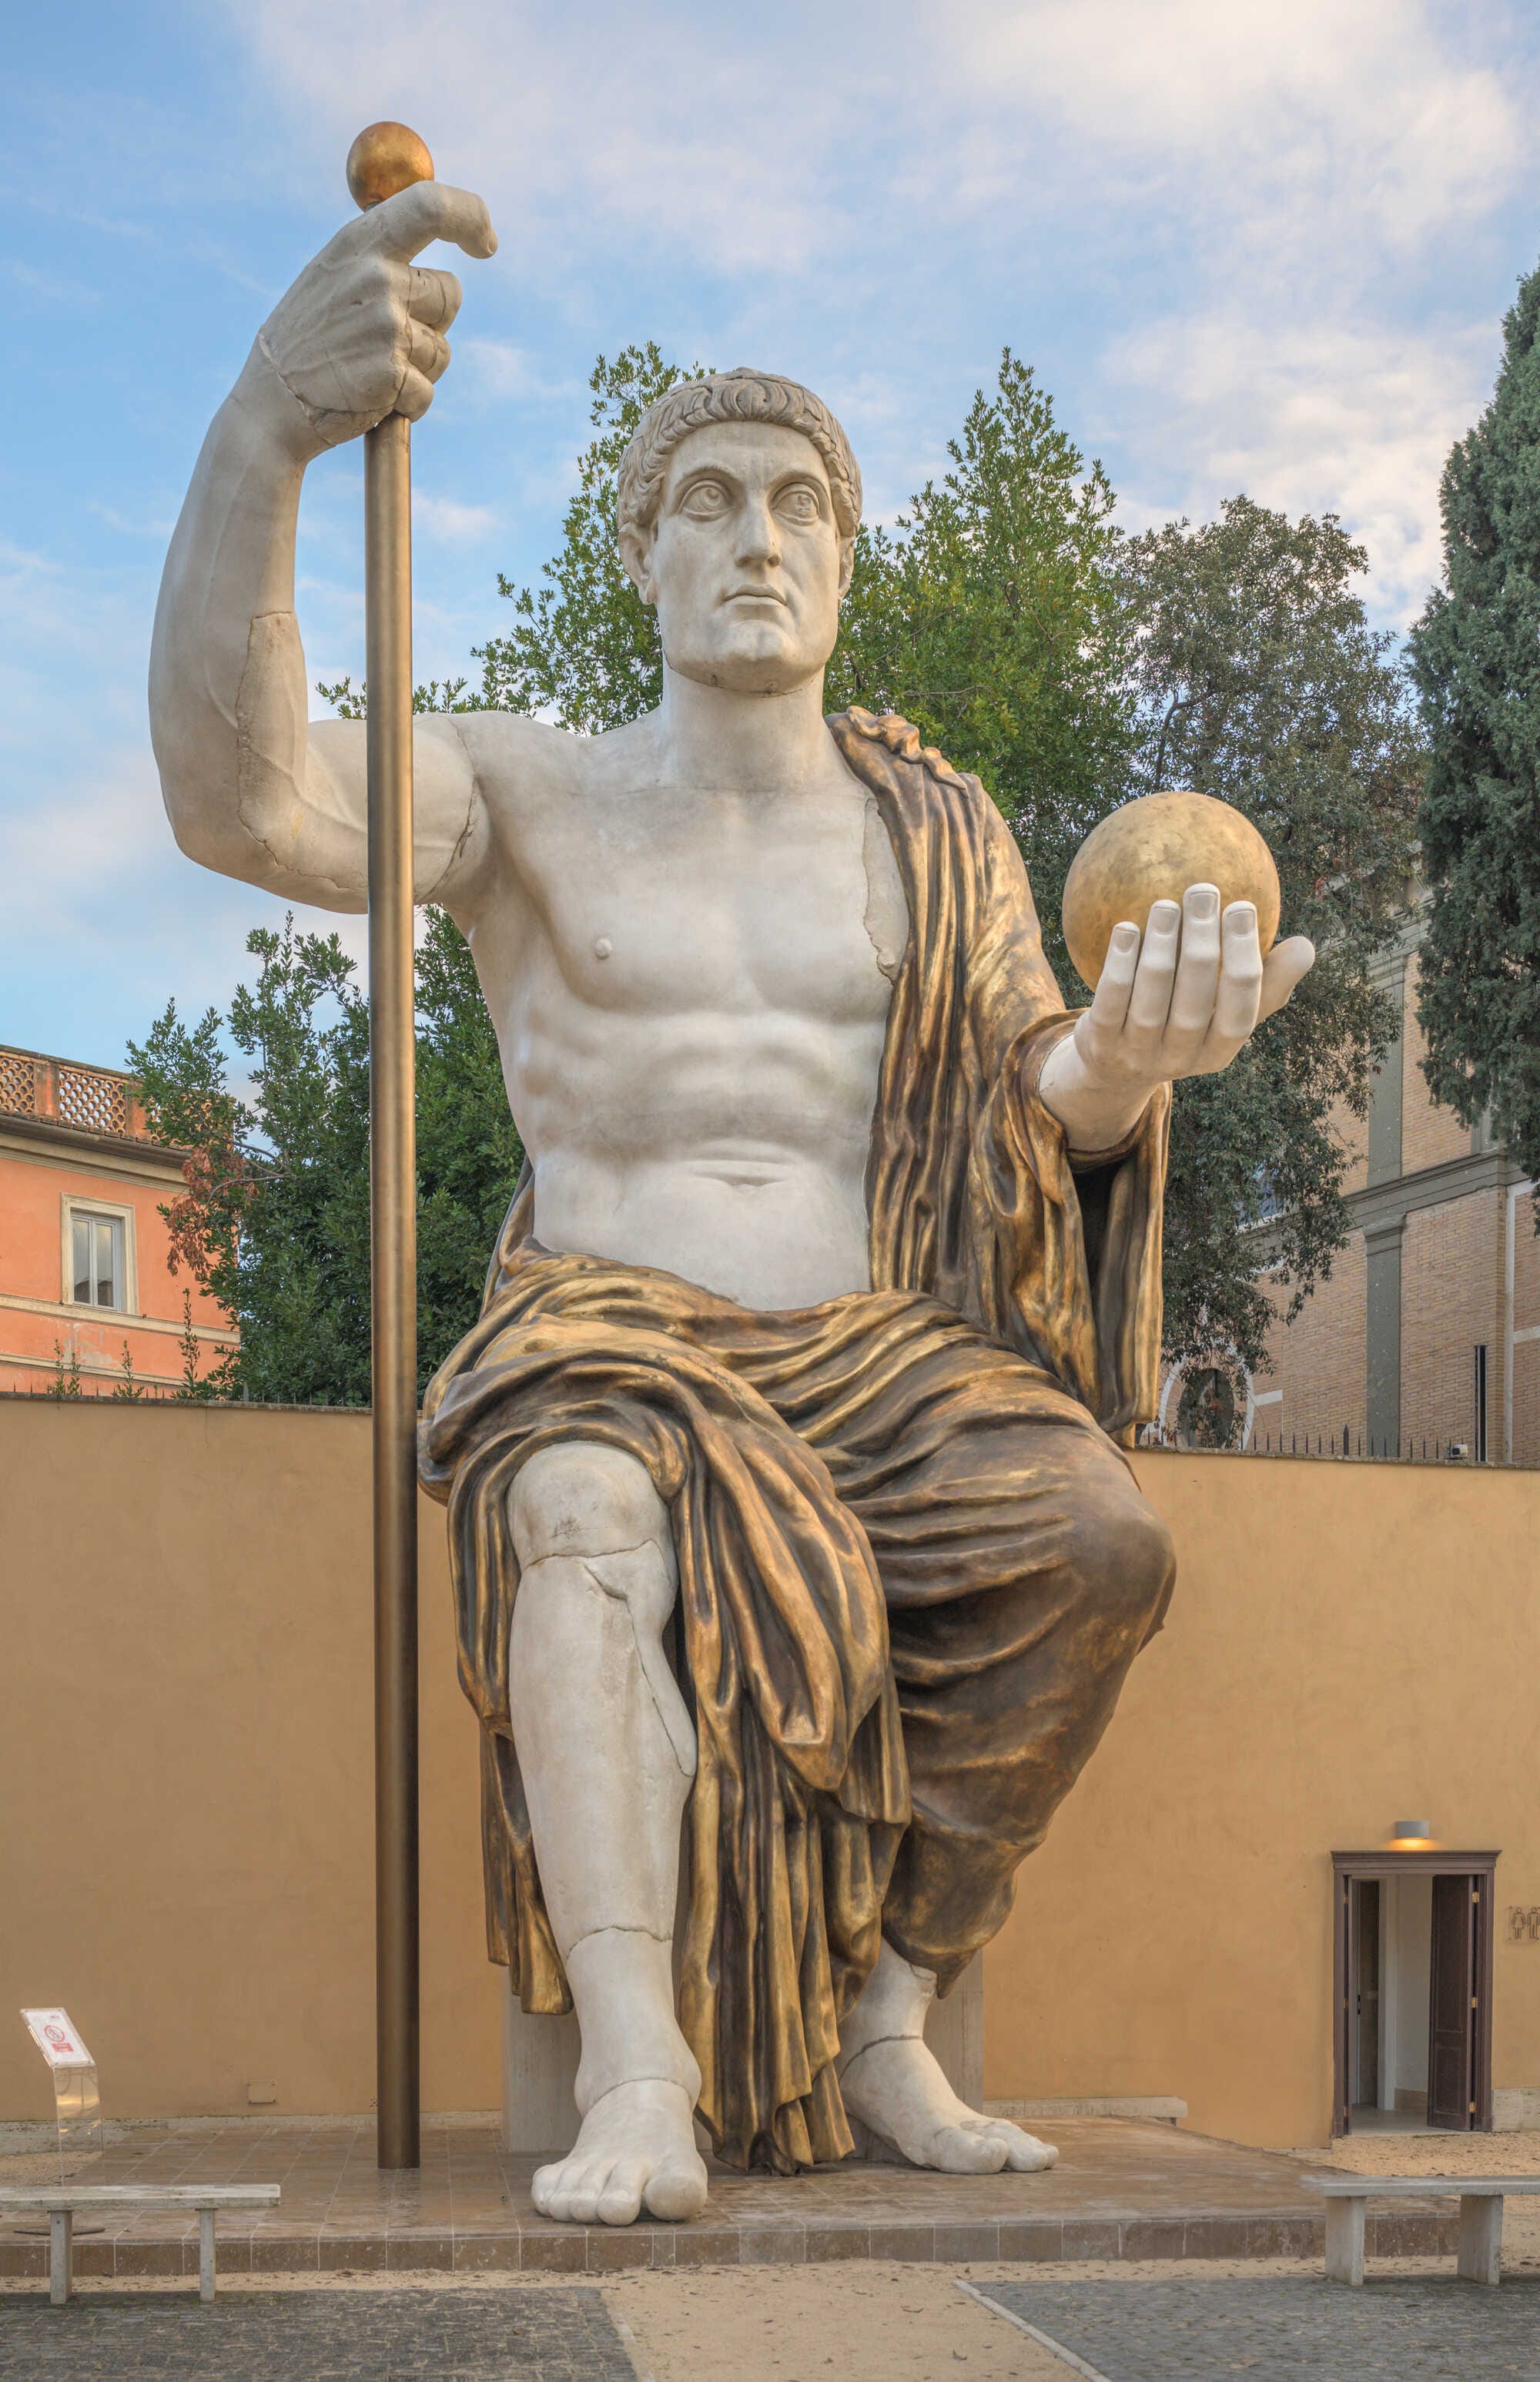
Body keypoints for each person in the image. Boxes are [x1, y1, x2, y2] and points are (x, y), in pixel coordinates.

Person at [150, 181, 1314, 2227]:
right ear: (639, 550)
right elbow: (237, 800)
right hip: (606, 1339)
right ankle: (639, 2068)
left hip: (888, 1361)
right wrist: (268, 427)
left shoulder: (941, 829)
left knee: (1101, 1543)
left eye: (797, 503)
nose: (756, 535)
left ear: (846, 557)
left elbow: (1032, 1107)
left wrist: (1134, 1064)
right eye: (707, 499)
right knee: (585, 1514)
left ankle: (888, 2023)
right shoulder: (524, 787)